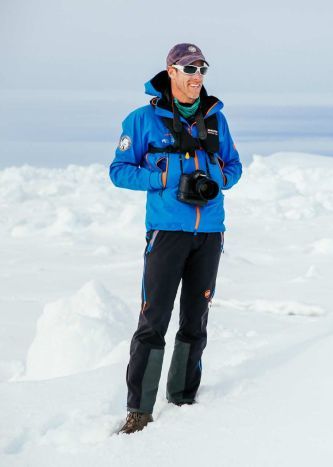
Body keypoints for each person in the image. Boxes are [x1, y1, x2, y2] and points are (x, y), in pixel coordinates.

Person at [109, 43, 242, 434]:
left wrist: (218, 179)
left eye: (202, 69)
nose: (197, 77)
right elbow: (118, 170)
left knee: (196, 319)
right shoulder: (142, 120)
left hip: (210, 233)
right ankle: (139, 409)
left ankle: (183, 398)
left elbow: (234, 166)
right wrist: (160, 178)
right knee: (153, 320)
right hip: (166, 233)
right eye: (189, 69)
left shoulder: (217, 120)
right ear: (171, 72)